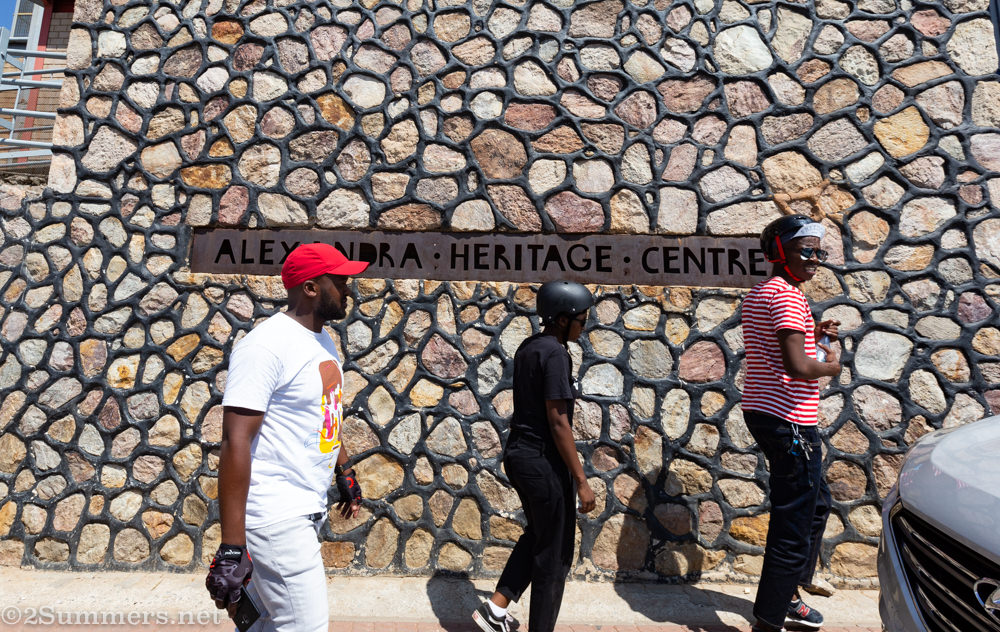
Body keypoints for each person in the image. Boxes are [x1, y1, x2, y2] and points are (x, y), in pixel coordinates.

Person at [205, 243, 369, 632]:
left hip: (304, 507)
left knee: (263, 626)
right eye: (340, 280)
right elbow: (235, 441)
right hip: (277, 516)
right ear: (311, 288)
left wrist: (343, 470)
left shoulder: (321, 341)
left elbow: (323, 413)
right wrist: (231, 547)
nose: (349, 288)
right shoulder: (265, 346)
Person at [472, 281, 598, 632]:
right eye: (581, 320)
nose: (584, 326)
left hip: (520, 456)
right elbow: (558, 422)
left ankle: (495, 610)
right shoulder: (556, 354)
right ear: (561, 319)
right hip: (543, 462)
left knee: (539, 537)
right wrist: (582, 481)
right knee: (554, 557)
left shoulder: (531, 346)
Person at [741, 214, 841, 632]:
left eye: (820, 251)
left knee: (816, 501)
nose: (815, 258)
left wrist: (811, 329)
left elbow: (775, 344)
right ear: (781, 251)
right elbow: (798, 365)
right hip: (790, 420)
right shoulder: (789, 297)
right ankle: (771, 615)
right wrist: (832, 365)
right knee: (794, 516)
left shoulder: (761, 294)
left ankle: (791, 590)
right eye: (807, 250)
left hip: (763, 410)